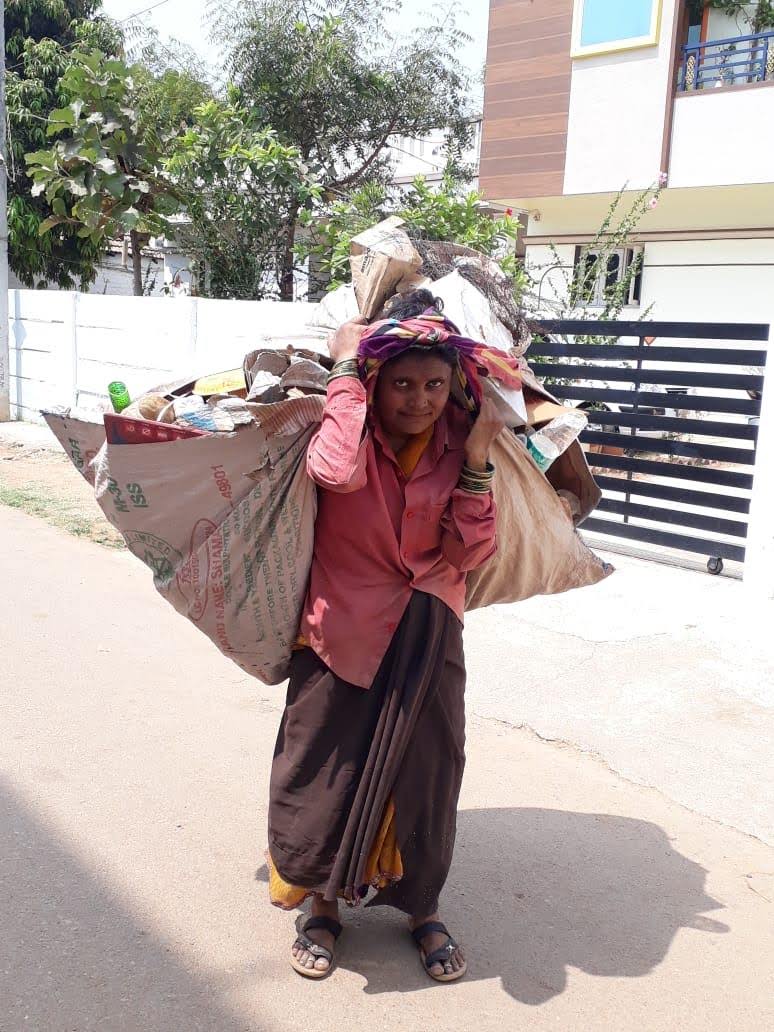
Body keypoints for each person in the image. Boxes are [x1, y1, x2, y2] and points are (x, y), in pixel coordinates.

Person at [267, 289, 509, 982]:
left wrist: (482, 451)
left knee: (427, 772)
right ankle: (322, 904)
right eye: (402, 383)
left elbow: (468, 553)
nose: (419, 400)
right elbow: (333, 472)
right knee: (322, 767)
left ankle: (421, 906)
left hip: (430, 627)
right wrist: (346, 371)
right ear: (377, 383)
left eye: (435, 384)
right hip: (340, 627)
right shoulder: (350, 430)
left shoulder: (461, 446)